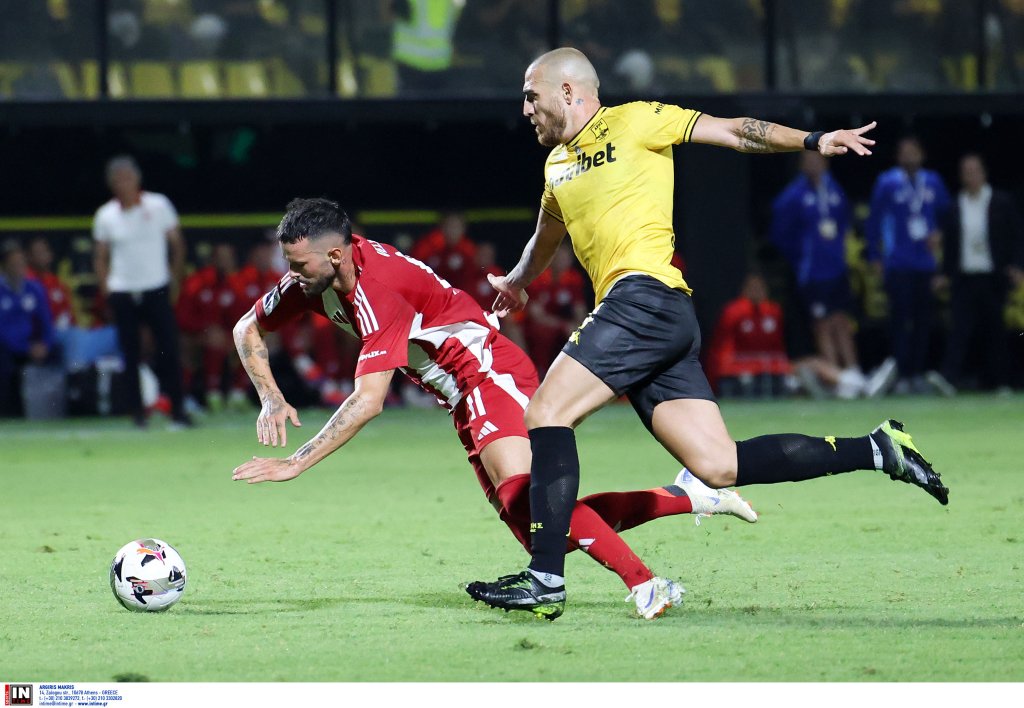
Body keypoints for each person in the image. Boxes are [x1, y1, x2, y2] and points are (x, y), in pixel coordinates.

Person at [466, 47, 948, 621]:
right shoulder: (556, 167)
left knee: (547, 412)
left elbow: (735, 131)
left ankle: (545, 578)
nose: (525, 109)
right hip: (654, 319)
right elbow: (545, 240)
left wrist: (813, 140)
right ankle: (879, 449)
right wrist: (517, 282)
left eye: (531, 96)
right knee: (718, 465)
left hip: (644, 297)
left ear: (567, 91)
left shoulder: (637, 119)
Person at [230, 198, 757, 620]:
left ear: (335, 256)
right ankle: (688, 495)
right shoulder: (312, 281)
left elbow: (368, 402)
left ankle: (648, 585)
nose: (290, 275)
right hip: (460, 393)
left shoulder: (376, 290)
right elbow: (246, 328)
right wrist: (271, 395)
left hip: (486, 373)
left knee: (526, 499)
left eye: (298, 265)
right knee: (538, 530)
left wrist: (295, 463)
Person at [770, 151, 880, 399]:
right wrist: (800, 255)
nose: (813, 164)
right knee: (823, 325)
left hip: (836, 268)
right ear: (801, 165)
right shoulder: (794, 195)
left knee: (842, 320)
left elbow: (843, 222)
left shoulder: (834, 189)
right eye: (808, 161)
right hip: (812, 272)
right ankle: (839, 380)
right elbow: (780, 232)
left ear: (825, 162)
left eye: (817, 160)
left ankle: (854, 371)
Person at [92, 155, 191, 428]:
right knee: (130, 352)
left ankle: (178, 409)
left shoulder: (158, 205)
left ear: (137, 179)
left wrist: (174, 280)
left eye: (127, 178)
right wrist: (107, 289)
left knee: (168, 348)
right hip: (122, 290)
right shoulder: (105, 215)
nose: (123, 184)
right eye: (118, 180)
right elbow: (100, 256)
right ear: (111, 184)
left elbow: (177, 245)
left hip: (156, 286)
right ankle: (136, 412)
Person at [864, 136, 951, 395]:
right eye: (905, 152)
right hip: (897, 263)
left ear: (922, 154)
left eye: (914, 151)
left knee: (923, 321)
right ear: (898, 156)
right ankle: (901, 374)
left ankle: (917, 373)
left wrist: (940, 235)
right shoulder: (887, 182)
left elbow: (948, 217)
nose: (909, 156)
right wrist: (874, 256)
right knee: (900, 321)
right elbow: (874, 221)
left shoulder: (933, 181)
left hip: (926, 264)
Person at [934, 153, 1024, 393]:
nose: (970, 176)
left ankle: (1001, 381)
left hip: (993, 276)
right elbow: (951, 245)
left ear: (984, 173)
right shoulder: (956, 205)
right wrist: (944, 273)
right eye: (966, 171)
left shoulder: (1001, 202)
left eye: (974, 170)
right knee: (959, 330)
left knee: (995, 330)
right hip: (964, 277)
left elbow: (1017, 237)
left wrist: (1017, 266)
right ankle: (949, 379)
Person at [0, 240, 56, 416]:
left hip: (35, 346)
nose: (19, 267)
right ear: (4, 266)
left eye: (21, 263)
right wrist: (25, 347)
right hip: (9, 348)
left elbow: (47, 321)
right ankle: (8, 413)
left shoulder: (35, 288)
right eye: (14, 264)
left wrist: (45, 344)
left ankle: (55, 410)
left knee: (57, 353)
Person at [524, 241, 587, 376]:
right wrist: (562, 325)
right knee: (541, 332)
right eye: (559, 257)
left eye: (566, 258)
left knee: (582, 333)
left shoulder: (574, 278)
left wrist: (579, 326)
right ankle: (539, 373)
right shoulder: (539, 276)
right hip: (539, 325)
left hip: (563, 325)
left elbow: (579, 310)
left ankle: (577, 374)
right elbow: (535, 314)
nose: (563, 261)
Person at [26, 236, 76, 331]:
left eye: (44, 251)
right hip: (36, 332)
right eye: (38, 252)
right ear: (29, 257)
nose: (42, 256)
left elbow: (66, 310)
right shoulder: (25, 281)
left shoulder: (56, 282)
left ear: (51, 255)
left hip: (61, 331)